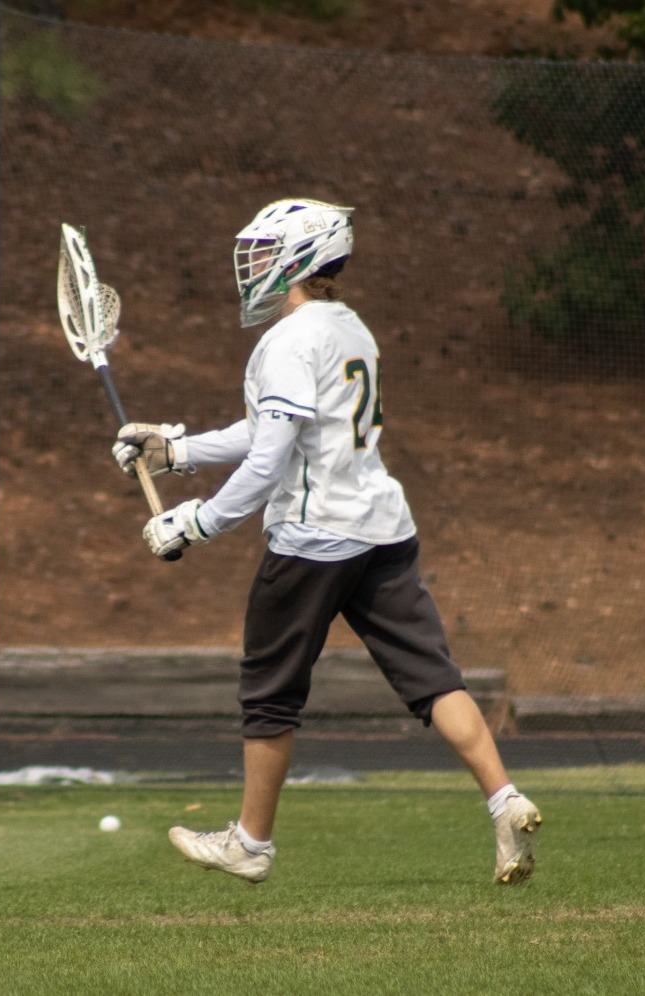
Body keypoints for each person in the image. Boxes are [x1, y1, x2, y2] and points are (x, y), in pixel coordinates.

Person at [113, 198, 541, 886]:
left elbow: (270, 458)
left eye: (261, 252)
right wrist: (176, 449)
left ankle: (250, 842)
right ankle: (504, 798)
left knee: (270, 695)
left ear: (299, 259)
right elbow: (279, 428)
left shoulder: (287, 340)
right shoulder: (347, 328)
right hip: (383, 532)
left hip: (315, 543)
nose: (249, 267)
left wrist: (195, 523)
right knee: (433, 679)